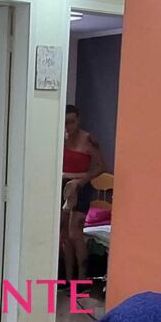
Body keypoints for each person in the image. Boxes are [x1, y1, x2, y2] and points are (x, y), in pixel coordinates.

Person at [59, 104, 104, 282]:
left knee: (75, 233)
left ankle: (82, 279)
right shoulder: (61, 138)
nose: (69, 126)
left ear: (78, 120)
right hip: (63, 185)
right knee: (64, 235)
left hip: (81, 186)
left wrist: (80, 179)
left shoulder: (88, 140)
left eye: (72, 122)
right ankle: (68, 279)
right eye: (65, 122)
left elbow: (101, 167)